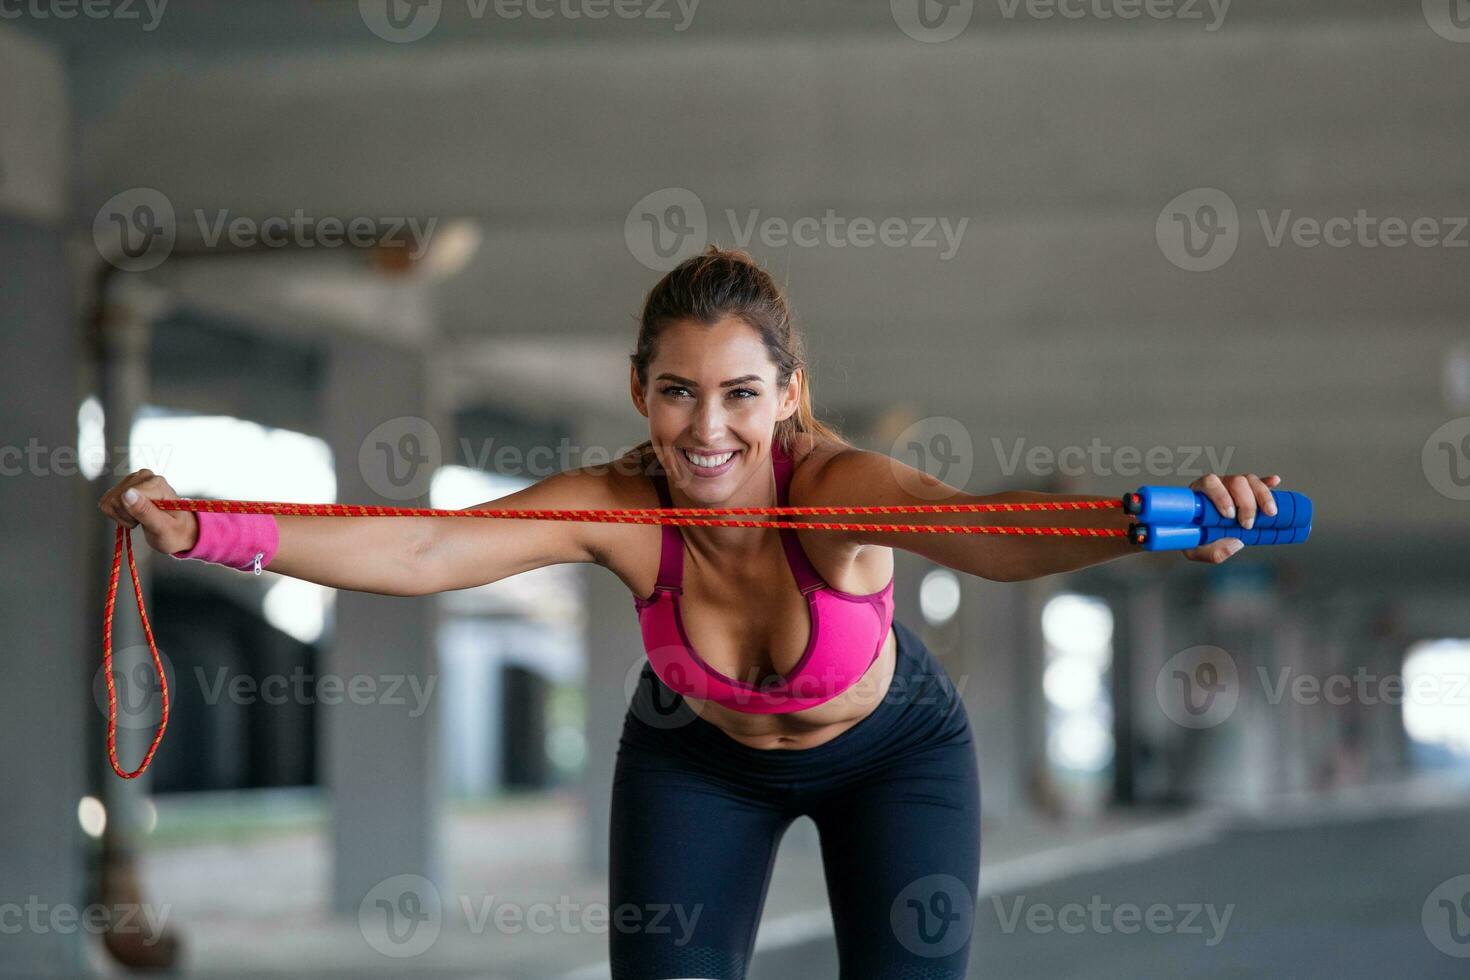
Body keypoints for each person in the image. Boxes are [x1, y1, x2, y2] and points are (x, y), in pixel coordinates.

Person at [99, 245, 1282, 979]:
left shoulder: (835, 494)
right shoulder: (615, 506)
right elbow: (420, 542)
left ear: (788, 394)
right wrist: (214, 525)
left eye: (739, 394)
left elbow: (981, 527)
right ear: (639, 391)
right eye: (677, 392)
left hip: (893, 758)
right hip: (695, 761)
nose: (707, 430)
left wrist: (1150, 518)